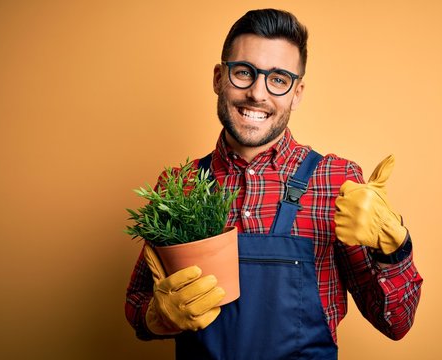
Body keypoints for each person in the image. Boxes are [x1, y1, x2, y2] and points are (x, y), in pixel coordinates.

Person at [125, 8, 423, 359]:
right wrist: (158, 317)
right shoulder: (180, 186)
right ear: (219, 78)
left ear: (296, 93)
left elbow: (396, 323)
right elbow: (138, 304)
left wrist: (393, 245)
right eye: (243, 73)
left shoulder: (337, 182)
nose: (257, 93)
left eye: (278, 79)